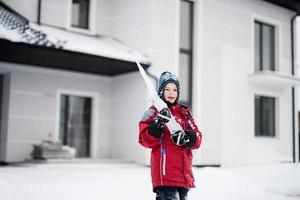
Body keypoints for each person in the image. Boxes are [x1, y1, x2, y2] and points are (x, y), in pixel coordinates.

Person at [139, 71, 202, 200]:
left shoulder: (184, 113)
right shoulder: (152, 112)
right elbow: (144, 140)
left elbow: (198, 138)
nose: (171, 93)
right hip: (165, 176)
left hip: (184, 176)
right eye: (167, 89)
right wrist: (157, 124)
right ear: (161, 91)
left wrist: (187, 138)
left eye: (174, 89)